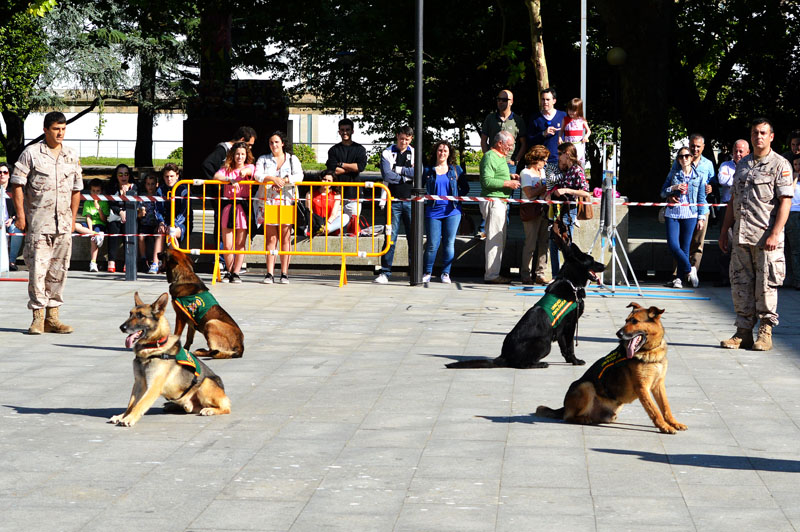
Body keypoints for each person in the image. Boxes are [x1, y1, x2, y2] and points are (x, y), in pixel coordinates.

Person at [719, 118, 793, 351]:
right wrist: (724, 231)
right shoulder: (742, 165)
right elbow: (733, 200)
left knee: (765, 286)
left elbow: (785, 203)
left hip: (766, 238)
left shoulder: (780, 165)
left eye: (763, 133)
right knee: (740, 285)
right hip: (741, 236)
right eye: (754, 133)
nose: (758, 136)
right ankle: (743, 333)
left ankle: (765, 332)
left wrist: (775, 233)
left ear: (771, 136)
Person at [9, 111, 83, 334]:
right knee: (37, 271)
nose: (60, 133)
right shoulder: (31, 154)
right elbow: (17, 185)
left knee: (59, 270)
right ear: (45, 130)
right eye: (56, 129)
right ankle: (38, 317)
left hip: (63, 224)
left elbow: (77, 189)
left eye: (63, 129)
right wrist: (21, 216)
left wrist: (72, 218)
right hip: (39, 223)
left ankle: (53, 317)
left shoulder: (71, 154)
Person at [254, 130, 304, 284]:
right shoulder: (263, 159)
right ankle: (269, 273)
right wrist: (272, 179)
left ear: (282, 143)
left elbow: (300, 176)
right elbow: (257, 175)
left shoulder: (292, 159)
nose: (274, 145)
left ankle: (284, 273)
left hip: (286, 201)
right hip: (268, 202)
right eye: (271, 142)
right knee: (271, 238)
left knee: (285, 236)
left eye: (276, 142)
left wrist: (284, 180)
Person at [667, 134, 715, 279]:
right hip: (680, 209)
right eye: (692, 146)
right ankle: (678, 274)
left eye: (698, 147)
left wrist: (711, 188)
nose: (694, 149)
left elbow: (714, 183)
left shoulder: (708, 164)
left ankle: (692, 272)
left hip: (700, 208)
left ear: (703, 147)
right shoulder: (680, 161)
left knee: (697, 244)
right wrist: (671, 194)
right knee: (680, 244)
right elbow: (669, 183)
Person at [660, 147, 708, 289]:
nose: (684, 159)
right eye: (681, 157)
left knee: (685, 248)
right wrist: (673, 188)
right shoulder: (673, 173)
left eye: (687, 156)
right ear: (678, 160)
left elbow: (701, 198)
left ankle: (679, 279)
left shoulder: (698, 176)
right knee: (673, 245)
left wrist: (701, 217)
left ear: (692, 158)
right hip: (673, 212)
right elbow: (662, 192)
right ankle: (689, 269)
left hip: (690, 213)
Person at [422, 139, 468, 284]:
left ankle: (446, 273)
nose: (442, 153)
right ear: (436, 152)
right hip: (433, 211)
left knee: (449, 243)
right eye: (440, 150)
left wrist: (456, 197)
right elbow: (420, 187)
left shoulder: (456, 170)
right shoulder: (428, 170)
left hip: (452, 211)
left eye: (445, 151)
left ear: (449, 154)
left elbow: (465, 188)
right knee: (432, 244)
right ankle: (427, 272)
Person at [480, 131, 521, 283]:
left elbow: (494, 176)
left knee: (499, 238)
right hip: (494, 201)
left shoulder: (499, 157)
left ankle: (494, 273)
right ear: (499, 143)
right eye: (509, 145)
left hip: (499, 201)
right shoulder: (490, 157)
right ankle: (492, 275)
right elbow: (487, 182)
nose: (510, 148)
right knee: (494, 240)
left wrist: (509, 177)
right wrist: (507, 183)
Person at [375, 126, 415, 284]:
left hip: (411, 201)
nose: (403, 142)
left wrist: (398, 170)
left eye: (407, 139)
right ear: (397, 137)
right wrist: (406, 176)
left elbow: (418, 173)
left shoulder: (414, 153)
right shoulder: (387, 152)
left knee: (414, 237)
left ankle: (414, 271)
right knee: (390, 237)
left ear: (411, 139)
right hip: (393, 200)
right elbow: (387, 174)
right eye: (401, 138)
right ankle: (385, 272)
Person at [547, 142, 591, 276]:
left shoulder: (577, 170)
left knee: (565, 244)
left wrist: (566, 190)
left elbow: (586, 192)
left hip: (568, 211)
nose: (558, 157)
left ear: (567, 154)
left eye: (560, 154)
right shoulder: (567, 170)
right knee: (554, 242)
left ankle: (567, 274)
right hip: (559, 210)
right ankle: (557, 274)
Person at [214, 141, 255, 283]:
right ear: (233, 154)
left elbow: (248, 171)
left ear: (246, 155)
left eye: (243, 154)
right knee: (227, 243)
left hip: (242, 207)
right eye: (237, 154)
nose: (240, 157)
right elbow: (216, 177)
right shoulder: (227, 169)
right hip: (228, 206)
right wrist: (229, 179)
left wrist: (242, 173)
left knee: (240, 242)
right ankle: (229, 271)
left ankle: (236, 272)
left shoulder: (249, 167)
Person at [714, 139, 750, 286]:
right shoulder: (725, 165)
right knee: (725, 243)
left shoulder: (752, 165)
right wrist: (740, 179)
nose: (738, 154)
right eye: (735, 151)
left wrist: (734, 180)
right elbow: (722, 180)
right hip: (726, 207)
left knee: (743, 244)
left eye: (741, 151)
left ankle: (742, 278)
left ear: (748, 152)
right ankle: (725, 277)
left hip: (745, 208)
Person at [519, 145, 551, 285]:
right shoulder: (525, 173)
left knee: (544, 243)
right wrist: (545, 187)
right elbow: (530, 193)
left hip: (543, 209)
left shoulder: (543, 172)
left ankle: (540, 272)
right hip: (531, 209)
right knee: (530, 243)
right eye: (544, 160)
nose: (546, 163)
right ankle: (525, 273)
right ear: (536, 159)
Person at [326, 118, 367, 223]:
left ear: (352, 131)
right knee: (334, 226)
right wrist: (352, 168)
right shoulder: (333, 150)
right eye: (342, 130)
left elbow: (360, 167)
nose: (345, 132)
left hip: (354, 194)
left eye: (347, 129)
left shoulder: (360, 149)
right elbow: (332, 170)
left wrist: (341, 164)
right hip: (336, 194)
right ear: (339, 131)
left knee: (352, 227)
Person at [480, 89, 527, 171]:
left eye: (504, 100)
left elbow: (523, 143)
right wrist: (487, 156)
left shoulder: (518, 120)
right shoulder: (490, 118)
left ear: (511, 102)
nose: (500, 102)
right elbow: (483, 140)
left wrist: (516, 160)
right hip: (492, 161)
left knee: (509, 184)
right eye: (499, 99)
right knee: (493, 183)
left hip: (509, 164)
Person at [105, 164, 137, 273]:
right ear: (116, 176)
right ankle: (111, 261)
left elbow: (135, 204)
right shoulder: (112, 187)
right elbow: (111, 204)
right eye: (120, 174)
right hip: (116, 215)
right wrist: (120, 212)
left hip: (130, 215)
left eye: (126, 174)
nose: (123, 177)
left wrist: (125, 195)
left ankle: (127, 262)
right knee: (113, 227)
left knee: (128, 228)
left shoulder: (134, 187)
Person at [75, 178, 109, 272]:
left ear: (101, 191)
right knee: (75, 226)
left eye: (98, 191)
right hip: (91, 226)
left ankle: (93, 262)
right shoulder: (87, 201)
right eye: (93, 191)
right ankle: (95, 233)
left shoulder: (104, 202)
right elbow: (88, 217)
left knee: (93, 240)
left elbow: (104, 220)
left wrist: (99, 209)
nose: (95, 193)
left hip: (100, 224)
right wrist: (91, 231)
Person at [527, 88, 567, 165]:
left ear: (554, 101)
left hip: (560, 160)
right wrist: (543, 134)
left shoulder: (563, 116)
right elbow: (529, 140)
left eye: (548, 99)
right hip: (541, 162)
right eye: (543, 99)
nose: (545, 102)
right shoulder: (535, 118)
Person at [137, 173, 167, 274]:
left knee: (159, 235)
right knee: (141, 237)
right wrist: (141, 213)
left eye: (152, 184)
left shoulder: (159, 196)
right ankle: (143, 259)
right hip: (145, 224)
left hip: (156, 223)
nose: (150, 186)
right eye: (148, 184)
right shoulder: (142, 197)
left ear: (157, 184)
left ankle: (158, 261)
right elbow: (138, 214)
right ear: (145, 185)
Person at [305, 169, 349, 235]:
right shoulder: (310, 193)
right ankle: (318, 230)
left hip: (330, 224)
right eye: (324, 179)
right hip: (315, 223)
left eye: (329, 181)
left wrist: (327, 224)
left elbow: (334, 214)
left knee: (345, 217)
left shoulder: (336, 195)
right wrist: (317, 224)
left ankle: (323, 231)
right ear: (320, 180)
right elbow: (309, 212)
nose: (326, 182)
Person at [1, 162, 24, 271]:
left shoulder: (14, 191)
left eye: (5, 172)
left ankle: (12, 261)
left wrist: (12, 218)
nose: (2, 174)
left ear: (9, 175)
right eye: (0, 172)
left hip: (10, 220)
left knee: (16, 230)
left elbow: (19, 209)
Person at [161, 163, 188, 247]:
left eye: (171, 176)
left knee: (172, 232)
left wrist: (174, 224)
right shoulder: (160, 190)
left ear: (177, 176)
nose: (169, 179)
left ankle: (175, 259)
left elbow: (184, 212)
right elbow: (158, 210)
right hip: (166, 222)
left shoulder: (183, 190)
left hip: (182, 223)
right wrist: (161, 222)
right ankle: (155, 260)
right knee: (160, 232)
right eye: (167, 176)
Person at [784, 154, 800, 289]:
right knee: (795, 249)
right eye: (795, 165)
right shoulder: (792, 179)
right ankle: (797, 279)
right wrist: (794, 178)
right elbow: (790, 192)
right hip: (793, 214)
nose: (798, 167)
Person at [560, 98, 591, 167]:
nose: (571, 112)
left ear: (578, 110)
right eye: (569, 110)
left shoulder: (582, 120)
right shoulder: (565, 120)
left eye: (573, 110)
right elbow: (561, 130)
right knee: (567, 161)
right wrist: (559, 138)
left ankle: (576, 175)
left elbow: (588, 131)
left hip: (578, 145)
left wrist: (586, 137)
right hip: (568, 145)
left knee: (576, 162)